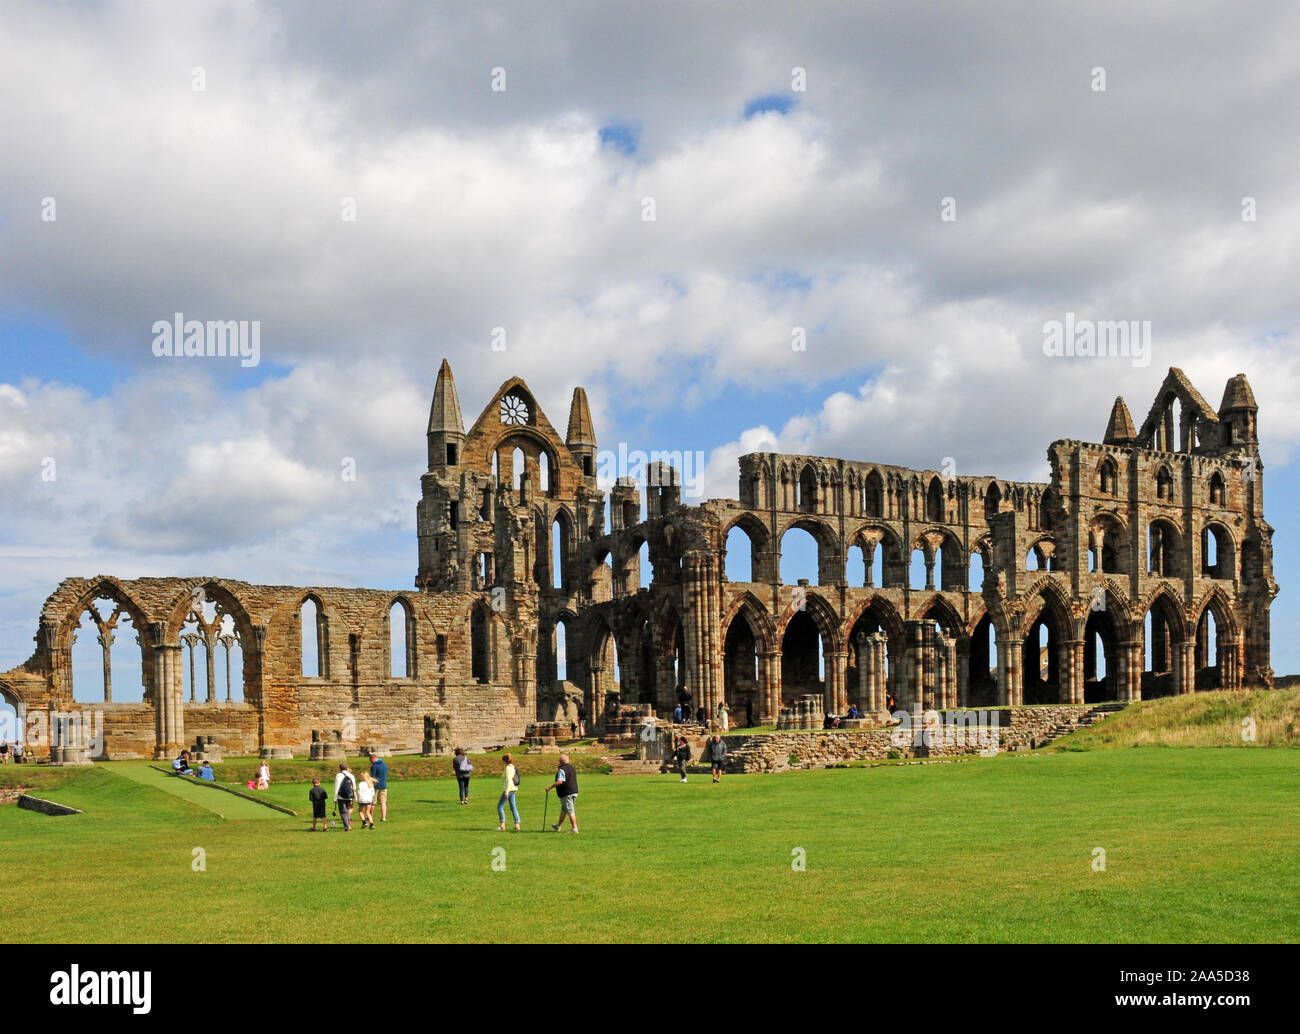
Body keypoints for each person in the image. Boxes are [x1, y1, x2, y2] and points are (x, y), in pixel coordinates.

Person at [547, 753, 579, 833]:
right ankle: (558, 826)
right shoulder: (572, 768)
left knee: (570, 810)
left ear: (561, 762)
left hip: (567, 793)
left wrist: (550, 787)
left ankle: (574, 828)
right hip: (574, 791)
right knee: (564, 809)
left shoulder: (562, 769)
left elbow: (560, 782)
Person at [497, 752, 521, 832]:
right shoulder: (513, 767)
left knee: (500, 806)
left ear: (505, 761)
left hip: (509, 789)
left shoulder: (507, 769)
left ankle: (502, 825)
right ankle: (517, 825)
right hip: (514, 789)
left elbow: (509, 781)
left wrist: (506, 792)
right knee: (513, 807)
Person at [334, 762, 356, 831]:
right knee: (347, 811)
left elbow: (337, 787)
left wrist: (335, 798)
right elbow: (354, 787)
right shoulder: (351, 775)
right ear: (347, 768)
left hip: (341, 796)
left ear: (340, 768)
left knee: (343, 812)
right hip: (350, 796)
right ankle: (348, 825)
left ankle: (347, 827)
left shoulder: (338, 775)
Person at [369, 753, 389, 822]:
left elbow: (372, 777)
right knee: (383, 802)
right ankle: (383, 817)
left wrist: (370, 785)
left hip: (375, 786)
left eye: (370, 760)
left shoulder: (374, 766)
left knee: (373, 802)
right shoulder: (384, 765)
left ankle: (370, 816)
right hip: (383, 785)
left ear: (373, 759)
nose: (370, 762)